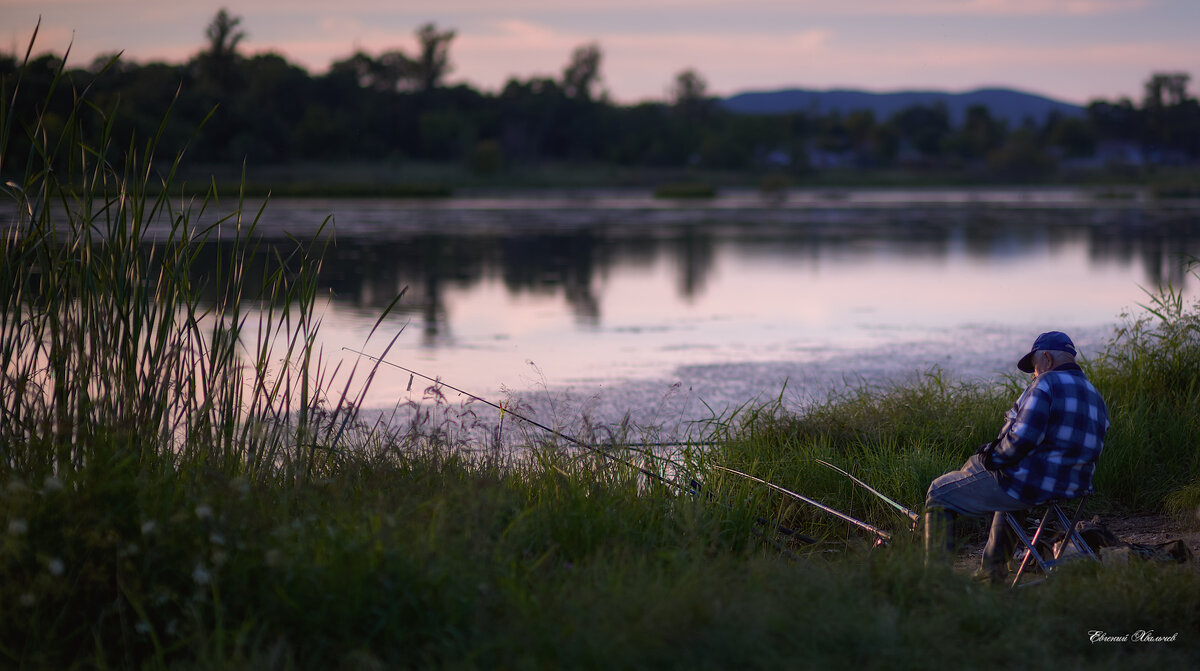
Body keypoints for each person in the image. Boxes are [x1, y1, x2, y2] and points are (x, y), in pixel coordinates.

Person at [924, 331, 1109, 583]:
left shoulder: (1046, 384)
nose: (1034, 373)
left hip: (1034, 485)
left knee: (939, 492)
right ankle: (992, 570)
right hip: (1074, 487)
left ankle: (933, 583)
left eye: (1034, 367)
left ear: (1046, 358)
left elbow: (1022, 439)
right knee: (1009, 483)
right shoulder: (1094, 394)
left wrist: (991, 456)